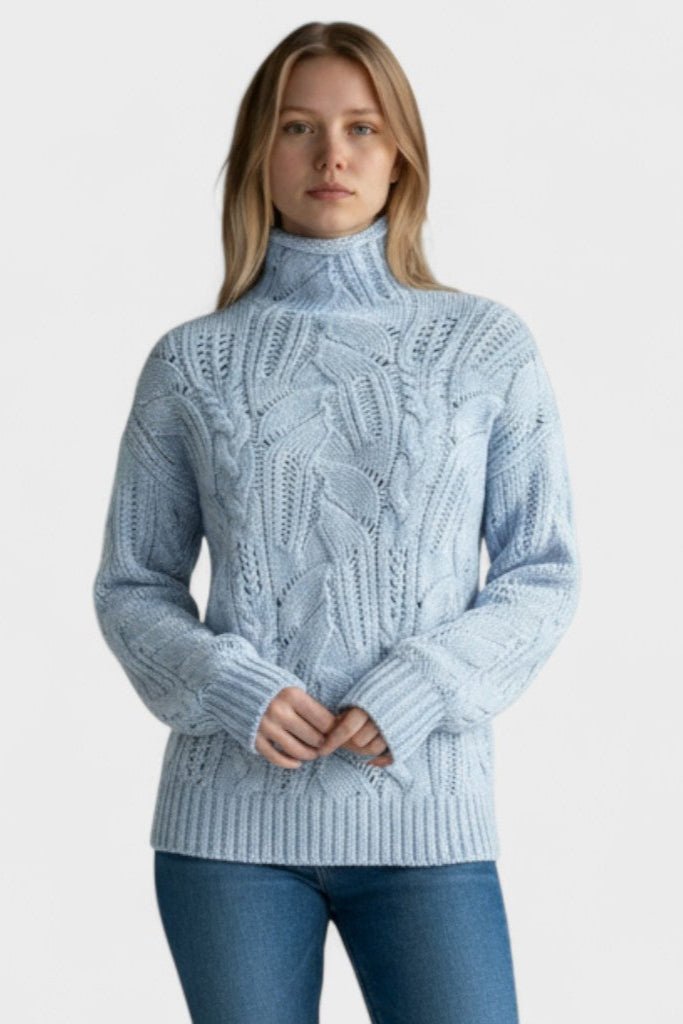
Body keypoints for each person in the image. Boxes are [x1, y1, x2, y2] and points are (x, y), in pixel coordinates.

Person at [92, 20, 581, 1024]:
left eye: (362, 127)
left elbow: (541, 570)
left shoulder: (483, 346)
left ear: (400, 156)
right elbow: (133, 584)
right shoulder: (191, 363)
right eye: (298, 127)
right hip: (227, 837)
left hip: (424, 820)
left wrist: (422, 684)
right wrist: (227, 684)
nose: (331, 155)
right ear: (258, 155)